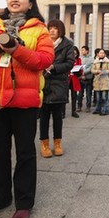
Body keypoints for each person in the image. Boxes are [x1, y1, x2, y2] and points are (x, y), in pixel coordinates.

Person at [0, 0, 54, 218]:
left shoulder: (39, 29)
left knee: (25, 153)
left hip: (24, 100)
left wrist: (16, 49)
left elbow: (44, 60)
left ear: (30, 3)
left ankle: (24, 203)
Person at [40, 19, 74, 158]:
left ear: (60, 30)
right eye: (50, 28)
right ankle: (45, 144)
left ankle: (57, 143)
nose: (52, 31)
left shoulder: (67, 45)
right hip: (43, 84)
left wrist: (54, 67)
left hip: (59, 84)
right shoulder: (42, 42)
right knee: (43, 118)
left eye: (55, 28)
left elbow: (70, 63)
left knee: (57, 118)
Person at [91, 49, 109, 115]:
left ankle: (105, 110)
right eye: (100, 53)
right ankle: (98, 109)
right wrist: (97, 71)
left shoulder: (107, 61)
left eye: (103, 53)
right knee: (98, 97)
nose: (101, 54)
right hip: (97, 80)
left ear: (105, 54)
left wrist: (103, 72)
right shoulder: (95, 61)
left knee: (104, 97)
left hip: (104, 80)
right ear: (98, 54)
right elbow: (92, 70)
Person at [77, 45, 94, 112]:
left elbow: (91, 67)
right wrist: (81, 73)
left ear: (87, 51)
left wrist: (84, 73)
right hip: (81, 77)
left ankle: (88, 106)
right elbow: (78, 66)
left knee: (88, 93)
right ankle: (79, 106)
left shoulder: (91, 58)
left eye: (83, 50)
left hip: (88, 77)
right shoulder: (80, 58)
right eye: (81, 50)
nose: (82, 51)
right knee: (80, 93)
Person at [68, 46, 81, 118]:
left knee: (74, 96)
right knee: (65, 96)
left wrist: (78, 70)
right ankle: (62, 112)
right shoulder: (66, 59)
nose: (74, 53)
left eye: (75, 52)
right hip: (67, 79)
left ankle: (74, 111)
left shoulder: (78, 60)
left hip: (74, 79)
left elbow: (80, 71)